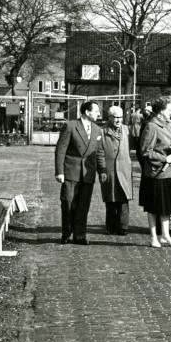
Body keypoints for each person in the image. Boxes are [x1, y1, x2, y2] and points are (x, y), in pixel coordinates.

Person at [54, 101, 107, 245]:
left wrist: (102, 170)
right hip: (70, 172)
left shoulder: (97, 130)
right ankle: (66, 233)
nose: (99, 114)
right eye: (96, 111)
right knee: (68, 203)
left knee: (83, 205)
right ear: (87, 112)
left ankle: (79, 235)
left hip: (88, 174)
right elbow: (61, 150)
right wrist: (59, 172)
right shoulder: (70, 126)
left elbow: (99, 152)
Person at [139, 97, 171, 248]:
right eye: (169, 108)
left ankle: (166, 236)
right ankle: (154, 237)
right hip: (156, 173)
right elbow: (145, 151)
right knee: (154, 207)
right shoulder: (151, 126)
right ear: (160, 111)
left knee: (167, 207)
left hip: (170, 172)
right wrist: (165, 158)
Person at [100, 105, 133, 235]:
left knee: (124, 198)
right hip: (110, 170)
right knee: (110, 198)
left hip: (124, 169)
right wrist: (102, 169)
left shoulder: (127, 130)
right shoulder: (102, 131)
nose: (118, 120)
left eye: (120, 117)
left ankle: (123, 226)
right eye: (115, 117)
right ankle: (110, 226)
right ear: (109, 118)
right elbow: (100, 152)